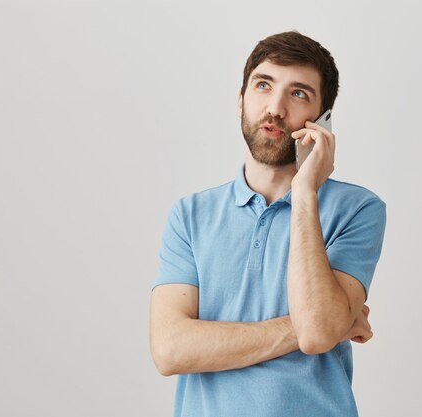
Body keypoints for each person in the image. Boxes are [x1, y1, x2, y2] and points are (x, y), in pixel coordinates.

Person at [149, 31, 387, 417]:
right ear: (241, 99)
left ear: (322, 120)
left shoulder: (358, 209)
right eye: (263, 85)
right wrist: (320, 324)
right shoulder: (190, 215)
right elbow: (170, 349)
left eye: (298, 93)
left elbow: (317, 335)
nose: (275, 107)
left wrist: (305, 191)